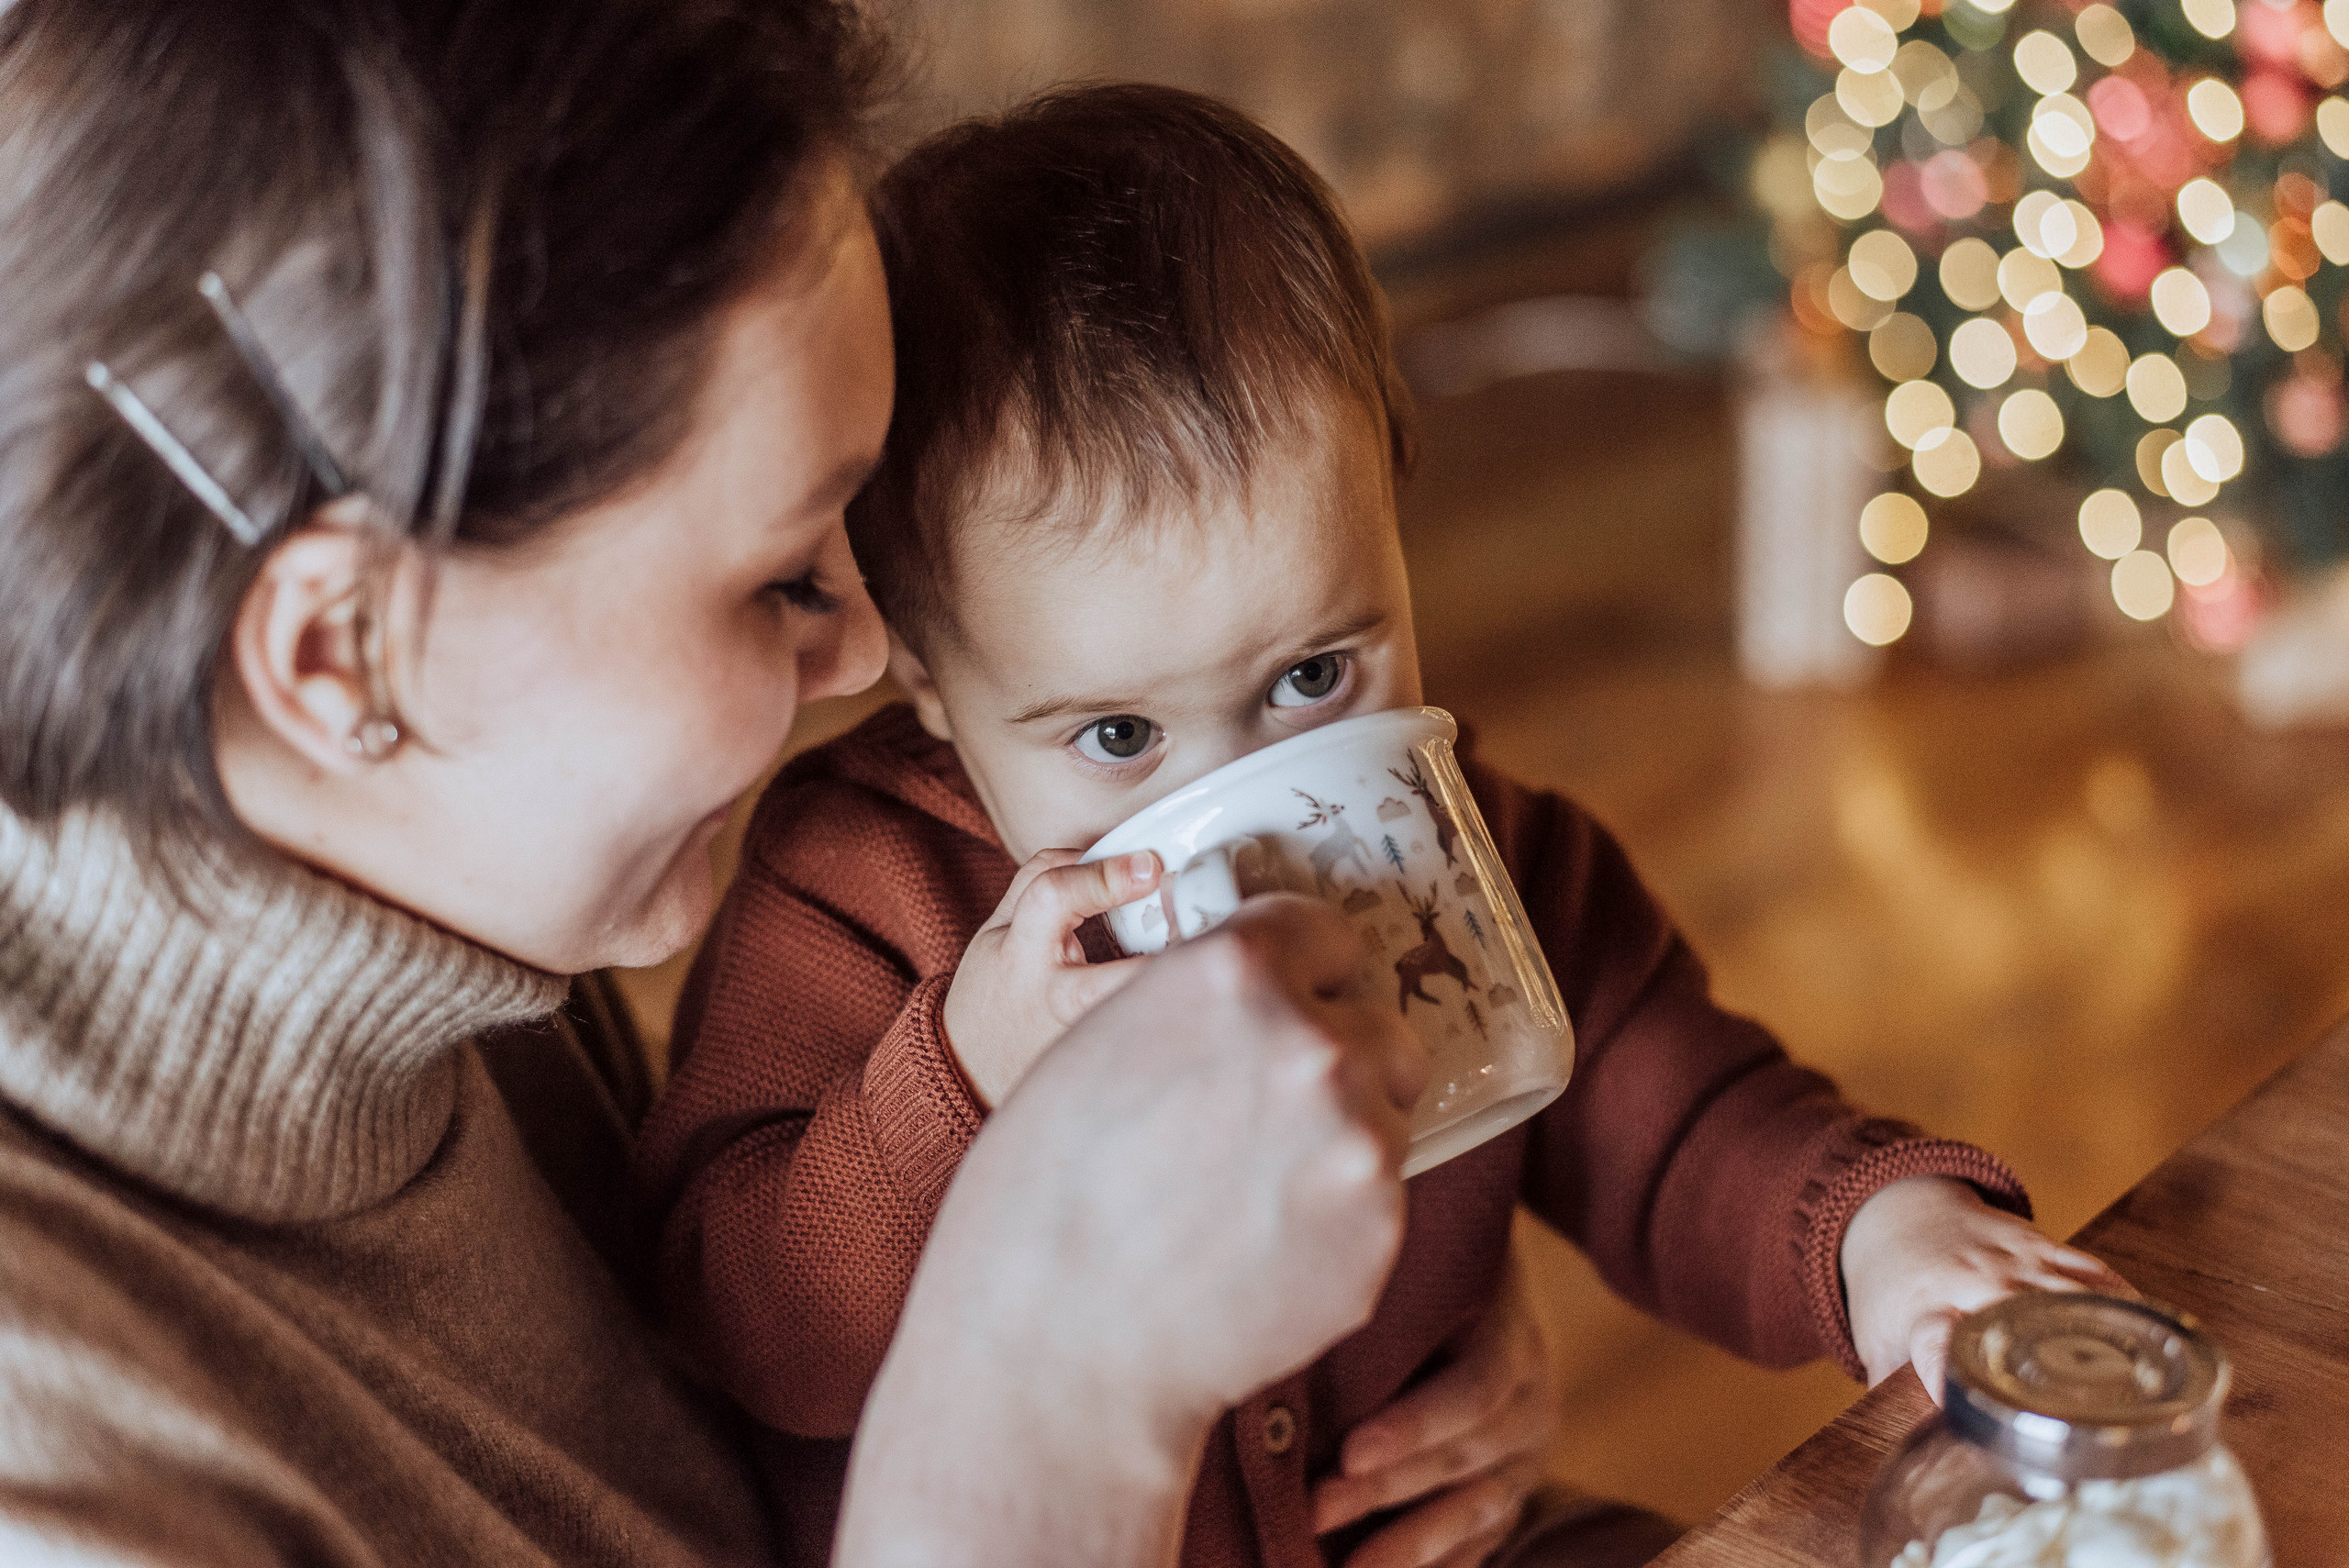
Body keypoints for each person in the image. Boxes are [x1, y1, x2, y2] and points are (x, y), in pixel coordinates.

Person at [0, 6, 1447, 1564]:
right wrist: (1053, 1397)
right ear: (342, 653)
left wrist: (1383, 1346)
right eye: (778, 577)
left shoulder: (441, 914)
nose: (865, 653)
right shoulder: (68, 1469)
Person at [636, 84, 2136, 1568]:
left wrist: (1880, 1239)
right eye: (1116, 736)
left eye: (1310, 675)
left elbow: (1674, 1120)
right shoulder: (854, 897)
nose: (1232, 810)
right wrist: (960, 1073)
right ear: (929, 677)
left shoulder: (1457, 846)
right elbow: (751, 1320)